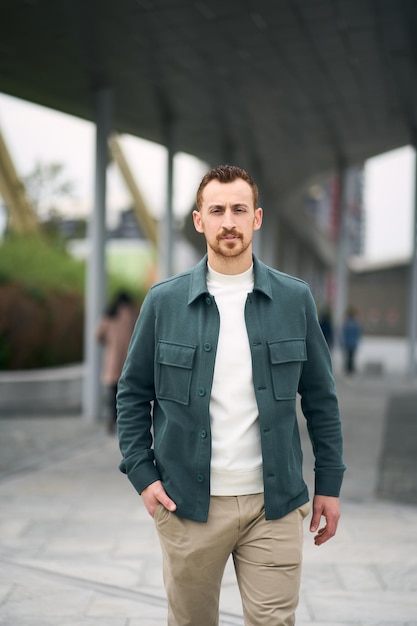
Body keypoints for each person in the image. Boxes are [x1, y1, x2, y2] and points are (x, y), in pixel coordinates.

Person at [117, 165, 345, 626]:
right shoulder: (164, 302)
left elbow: (321, 398)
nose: (229, 222)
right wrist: (143, 475)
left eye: (239, 210)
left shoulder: (293, 299)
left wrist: (330, 485)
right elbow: (132, 393)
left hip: (274, 505)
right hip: (187, 506)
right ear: (199, 221)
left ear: (256, 218)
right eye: (216, 210)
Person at [96, 291, 136, 433]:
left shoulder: (109, 314)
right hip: (128, 360)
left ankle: (111, 420)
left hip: (112, 360)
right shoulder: (131, 315)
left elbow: (98, 336)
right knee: (127, 395)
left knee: (112, 394)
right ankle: (124, 422)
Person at [342, 307, 361, 375]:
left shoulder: (347, 323)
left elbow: (344, 333)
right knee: (351, 358)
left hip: (348, 343)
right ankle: (350, 371)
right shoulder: (355, 323)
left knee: (349, 358)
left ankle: (348, 371)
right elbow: (358, 333)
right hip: (352, 343)